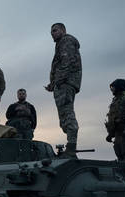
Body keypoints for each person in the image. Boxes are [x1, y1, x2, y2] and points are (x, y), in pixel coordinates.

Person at [44, 23, 82, 158]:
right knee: (64, 116)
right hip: (63, 83)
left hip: (65, 83)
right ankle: (71, 147)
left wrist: (58, 81)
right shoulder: (61, 43)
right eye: (51, 32)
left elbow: (66, 62)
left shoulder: (66, 41)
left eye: (55, 30)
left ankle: (71, 148)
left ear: (63, 30)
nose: (52, 34)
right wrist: (53, 84)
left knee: (67, 114)